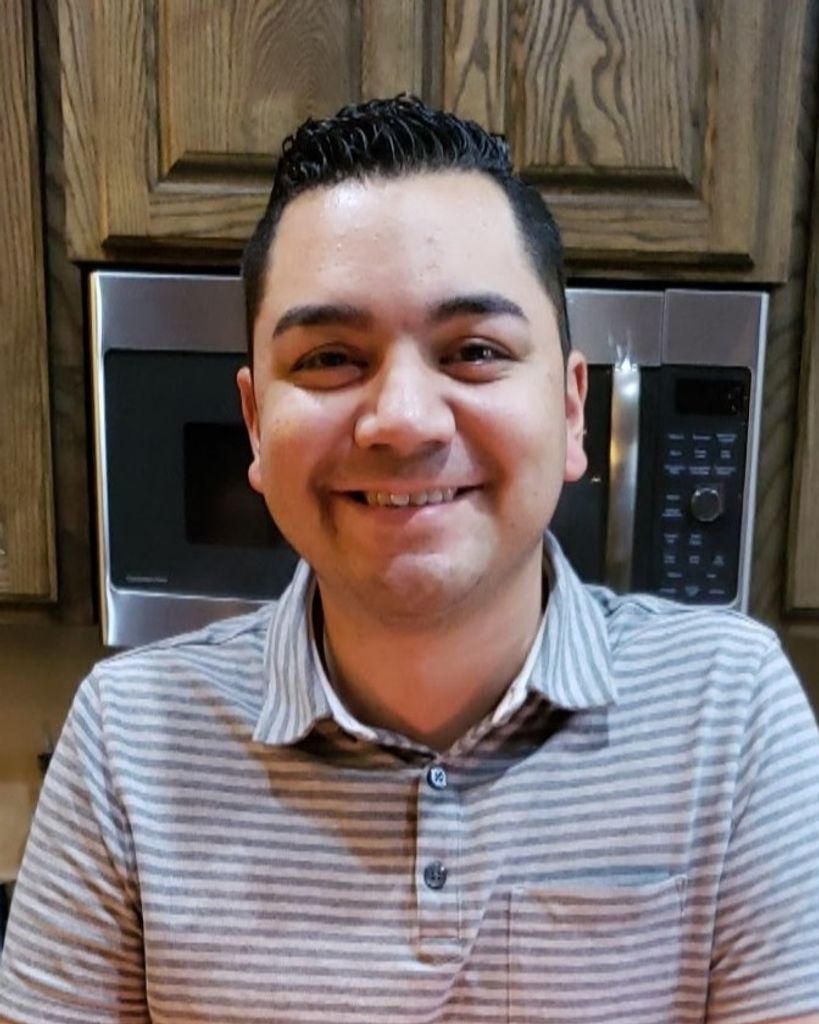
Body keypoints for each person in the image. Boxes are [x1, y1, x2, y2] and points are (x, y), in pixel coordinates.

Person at [1, 95, 818, 1024]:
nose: (401, 420)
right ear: (256, 424)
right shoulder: (126, 740)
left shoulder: (730, 711)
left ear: (570, 409)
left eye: (473, 350)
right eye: (328, 359)